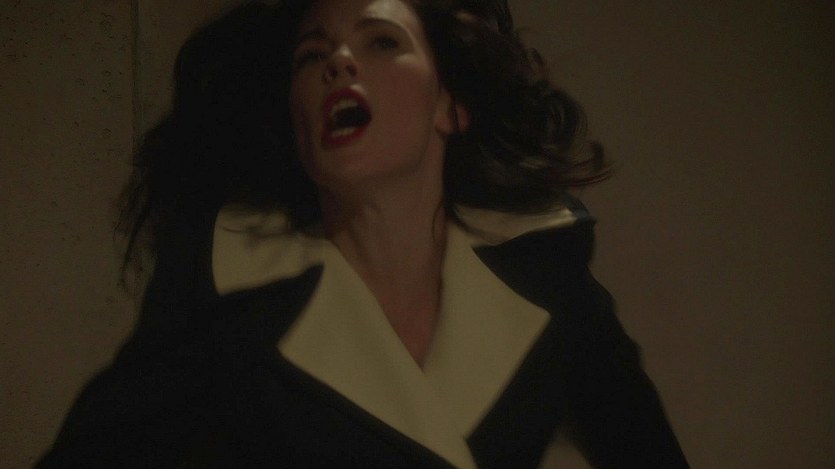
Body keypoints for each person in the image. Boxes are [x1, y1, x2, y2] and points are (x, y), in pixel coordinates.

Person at [38, 0, 688, 467]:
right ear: (294, 122)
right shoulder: (222, 295)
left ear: (449, 106)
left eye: (381, 42)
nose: (339, 62)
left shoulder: (543, 270)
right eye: (311, 54)